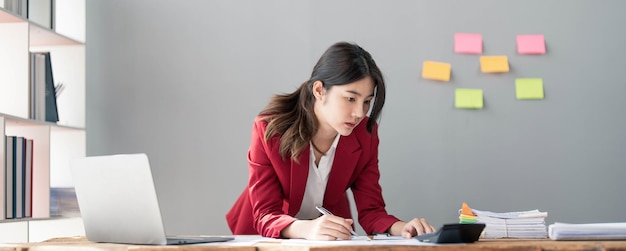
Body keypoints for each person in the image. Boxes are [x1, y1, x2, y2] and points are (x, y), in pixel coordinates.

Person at [226, 41, 435, 240]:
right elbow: (266, 215)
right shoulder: (269, 129)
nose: (359, 113)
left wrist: (403, 227)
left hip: (326, 235)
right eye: (350, 99)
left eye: (367, 102)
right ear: (319, 90)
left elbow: (372, 211)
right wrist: (306, 227)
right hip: (267, 234)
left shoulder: (365, 134)